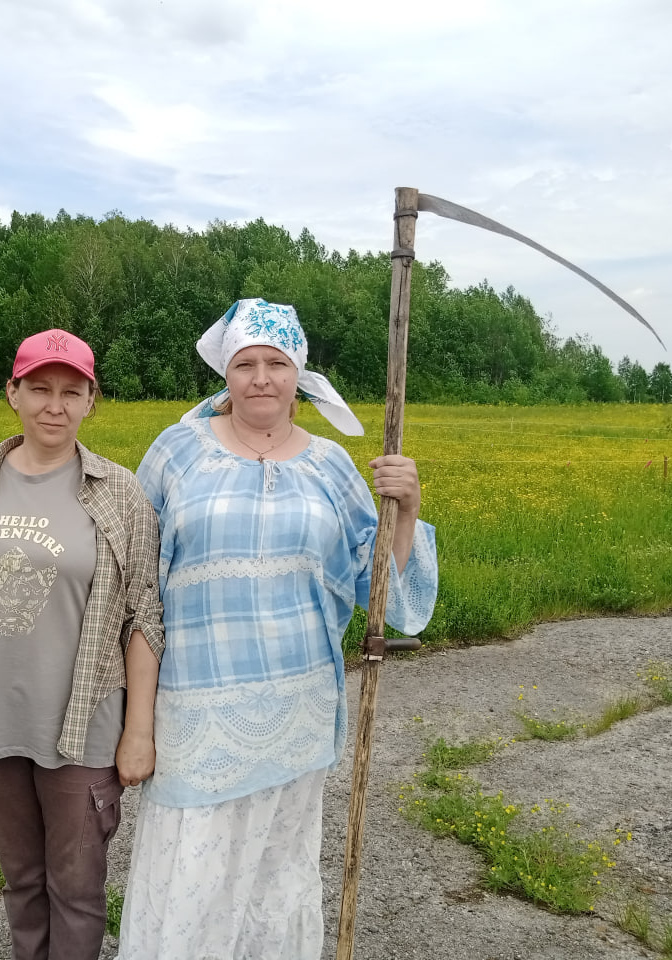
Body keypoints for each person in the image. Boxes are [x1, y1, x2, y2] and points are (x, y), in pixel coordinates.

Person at [117, 299, 438, 959]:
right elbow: (137, 595)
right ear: (225, 375)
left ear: (298, 375)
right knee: (192, 876)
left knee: (273, 877)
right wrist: (137, 725)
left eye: (275, 363)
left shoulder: (330, 466)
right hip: (196, 720)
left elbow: (378, 593)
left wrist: (405, 513)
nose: (261, 377)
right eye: (247, 364)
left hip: (298, 715)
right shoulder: (177, 454)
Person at [0, 328, 163, 960]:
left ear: (90, 401)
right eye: (39, 389)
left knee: (75, 889)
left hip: (83, 724)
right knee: (21, 883)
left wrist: (139, 731)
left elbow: (145, 617)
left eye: (72, 392)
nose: (55, 405)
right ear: (12, 393)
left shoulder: (117, 491)